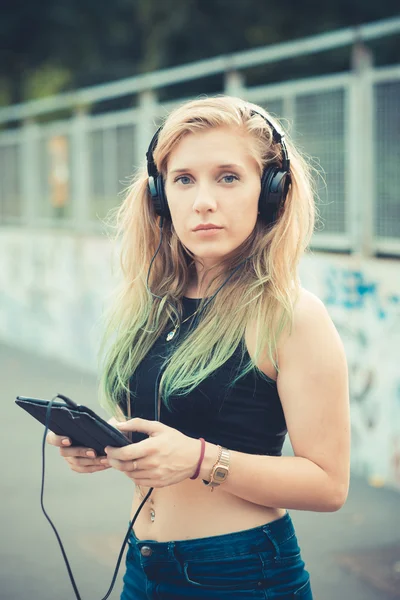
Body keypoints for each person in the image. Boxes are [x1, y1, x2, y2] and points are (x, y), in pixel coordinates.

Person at [47, 96, 350, 599]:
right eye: (183, 179)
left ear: (271, 193)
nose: (202, 200)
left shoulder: (291, 314)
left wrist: (199, 460)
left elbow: (328, 484)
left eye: (228, 177)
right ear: (160, 194)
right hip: (143, 570)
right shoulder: (150, 304)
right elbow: (162, 429)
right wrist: (102, 444)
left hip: (240, 575)